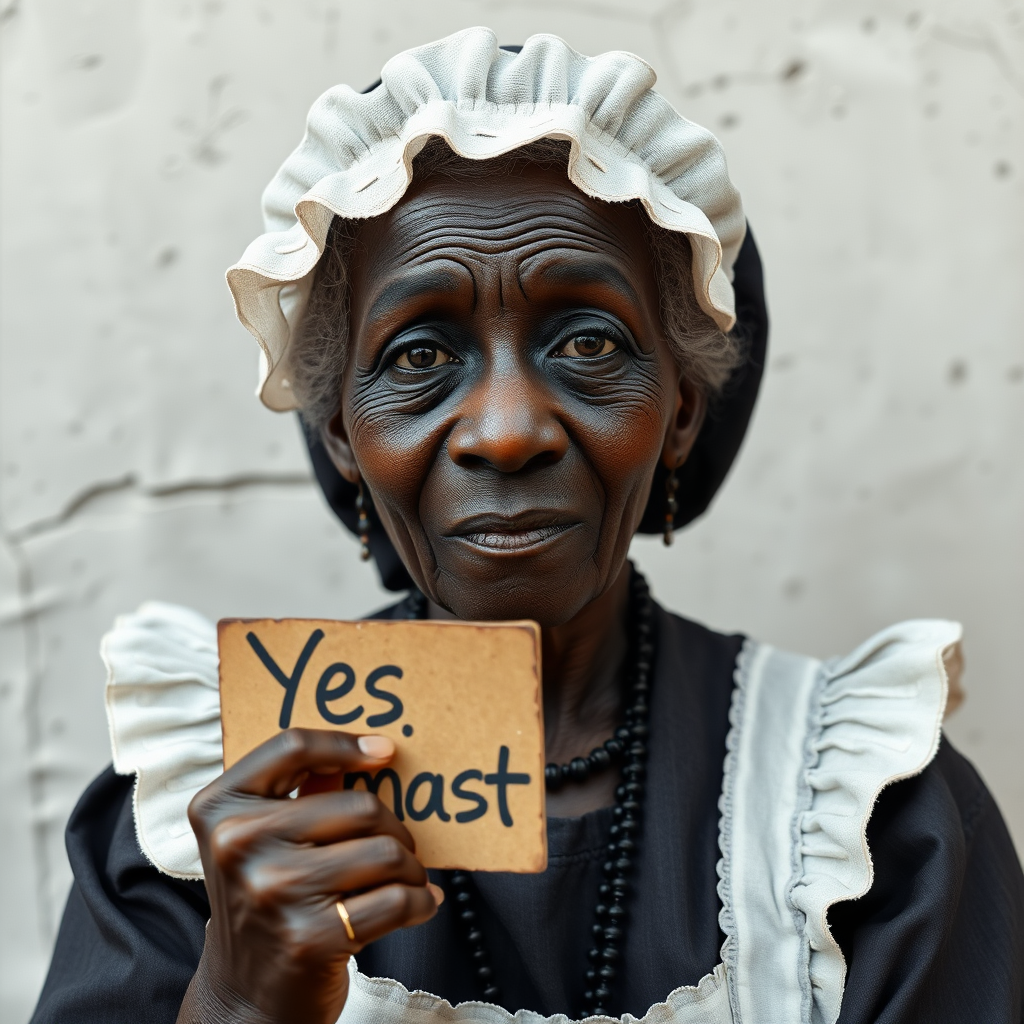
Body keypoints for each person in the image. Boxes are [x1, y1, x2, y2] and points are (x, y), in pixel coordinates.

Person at [30, 28, 1024, 1024]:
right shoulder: (194, 826)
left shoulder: (874, 822)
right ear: (341, 430)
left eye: (587, 340)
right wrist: (236, 1000)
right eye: (419, 356)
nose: (506, 430)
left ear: (679, 409)